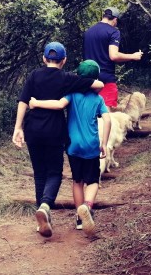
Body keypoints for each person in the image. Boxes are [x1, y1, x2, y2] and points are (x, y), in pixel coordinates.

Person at [12, 42, 104, 238]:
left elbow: (23, 101)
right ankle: (45, 205)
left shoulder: (34, 75)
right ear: (64, 60)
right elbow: (99, 84)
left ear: (44, 59)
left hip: (33, 130)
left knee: (39, 174)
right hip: (54, 131)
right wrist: (82, 81)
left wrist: (18, 128)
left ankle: (42, 216)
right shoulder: (66, 78)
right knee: (54, 172)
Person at [29, 60, 111, 237]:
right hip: (91, 146)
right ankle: (87, 207)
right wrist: (104, 143)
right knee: (93, 181)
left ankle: (80, 220)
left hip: (73, 145)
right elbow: (107, 119)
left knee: (77, 181)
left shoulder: (72, 95)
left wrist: (36, 103)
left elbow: (58, 105)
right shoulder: (98, 99)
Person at [83, 6, 143, 110]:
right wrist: (133, 56)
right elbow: (113, 55)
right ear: (115, 19)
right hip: (106, 78)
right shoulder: (113, 32)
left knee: (91, 111)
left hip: (88, 78)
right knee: (107, 113)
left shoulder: (88, 32)